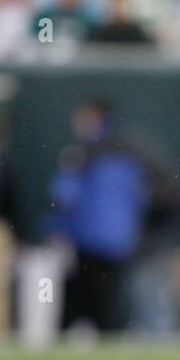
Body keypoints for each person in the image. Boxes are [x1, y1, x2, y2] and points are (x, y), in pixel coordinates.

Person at [47, 100, 150, 334]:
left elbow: (63, 195)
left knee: (85, 301)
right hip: (120, 240)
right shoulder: (128, 153)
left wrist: (56, 229)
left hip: (91, 240)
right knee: (111, 303)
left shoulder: (82, 154)